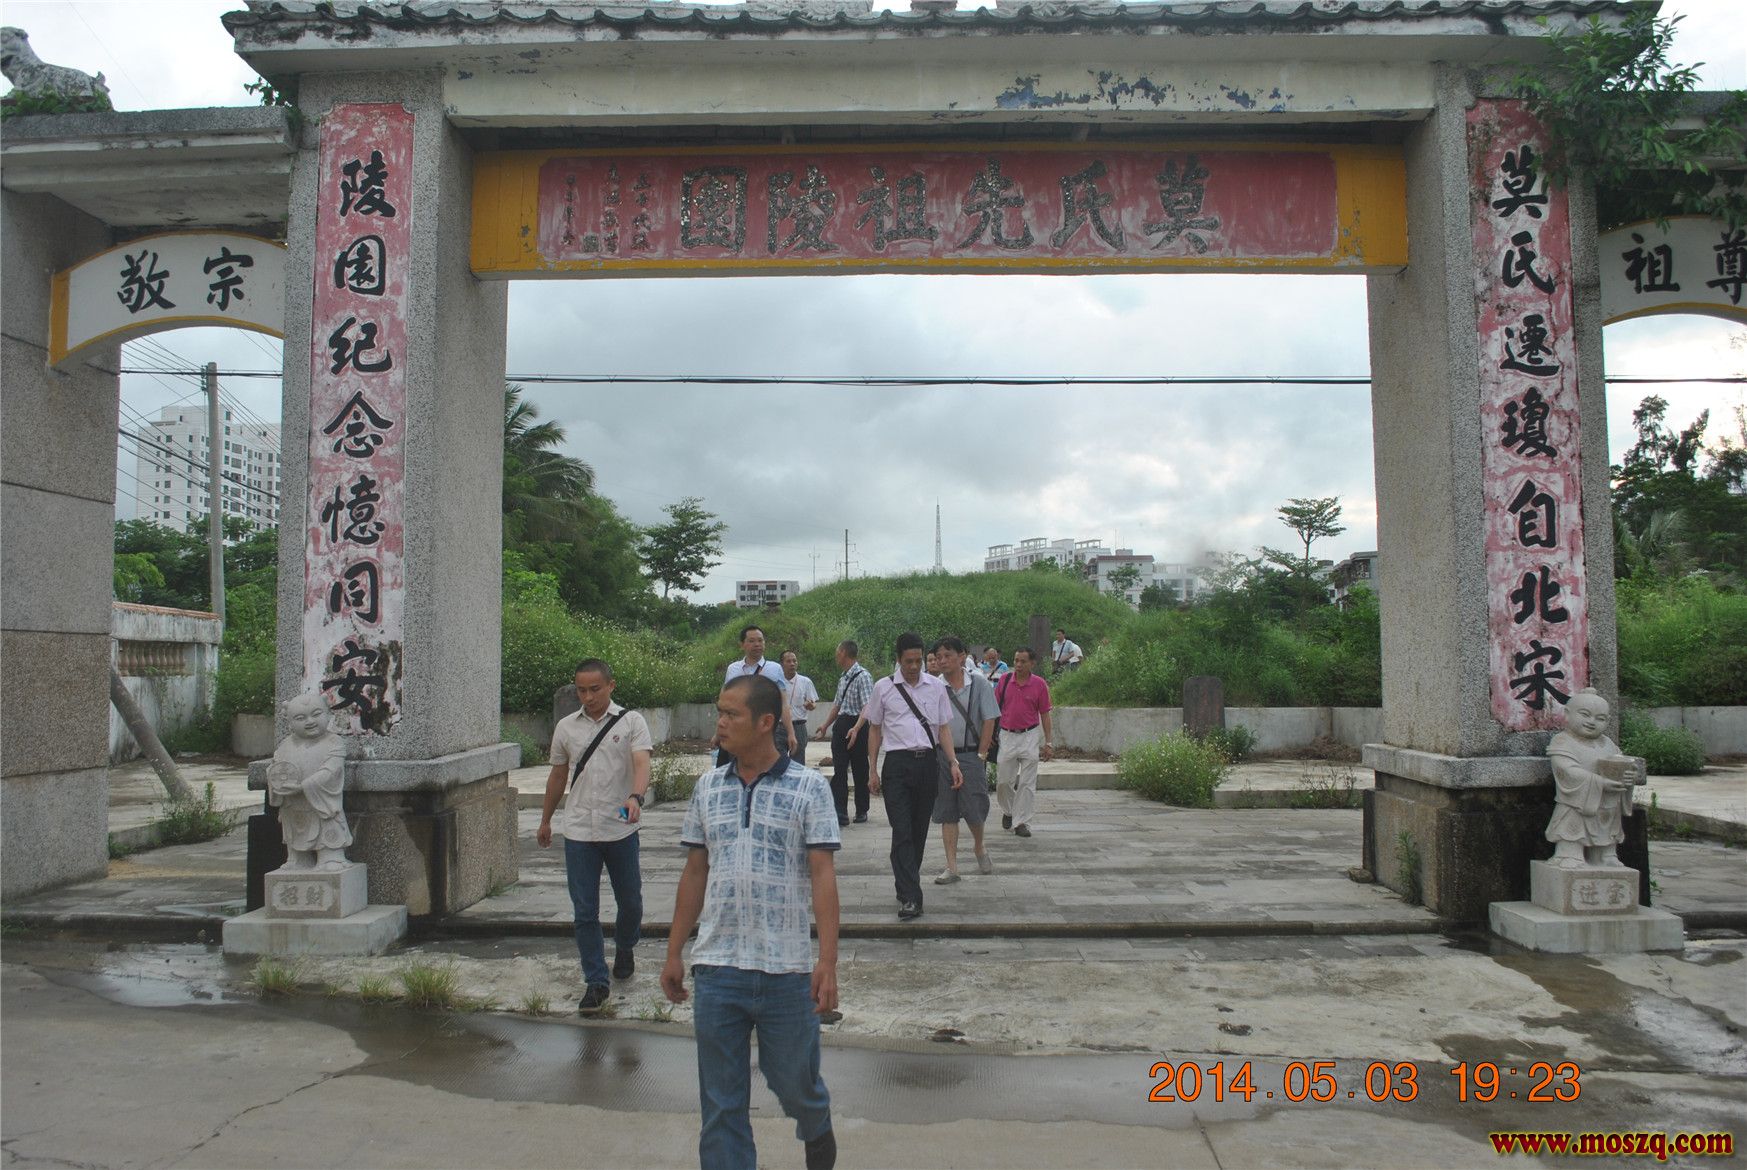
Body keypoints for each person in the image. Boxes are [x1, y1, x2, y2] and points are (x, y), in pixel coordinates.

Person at [662, 674, 840, 1170]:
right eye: (719, 712)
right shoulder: (707, 788)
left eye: (730, 714)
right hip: (718, 968)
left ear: (765, 722)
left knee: (793, 1083)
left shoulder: (808, 788)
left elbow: (823, 876)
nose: (719, 723)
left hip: (786, 970)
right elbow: (695, 872)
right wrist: (674, 951)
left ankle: (815, 1122)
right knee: (721, 1105)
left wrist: (827, 961)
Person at [537, 659, 653, 1014]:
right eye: (581, 691)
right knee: (585, 911)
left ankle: (625, 945)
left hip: (620, 826)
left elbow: (642, 762)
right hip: (579, 831)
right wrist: (545, 820)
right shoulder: (566, 727)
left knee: (630, 903)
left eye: (595, 689)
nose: (588, 697)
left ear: (610, 686)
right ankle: (596, 982)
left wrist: (635, 797)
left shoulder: (631, 721)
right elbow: (558, 775)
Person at [864, 632, 959, 920]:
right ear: (898, 659)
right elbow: (875, 729)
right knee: (902, 830)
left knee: (918, 832)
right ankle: (911, 897)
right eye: (909, 661)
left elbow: (943, 729)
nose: (915, 666)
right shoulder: (883, 688)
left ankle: (905, 883)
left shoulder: (936, 687)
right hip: (897, 765)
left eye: (919, 661)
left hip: (927, 764)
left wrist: (953, 762)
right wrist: (872, 769)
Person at [1545, 687, 1643, 868]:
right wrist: (1600, 783)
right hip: (1578, 800)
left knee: (1608, 825)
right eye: (1585, 715)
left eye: (1600, 718)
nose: (1592, 722)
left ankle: (1606, 854)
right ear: (1567, 714)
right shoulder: (1563, 741)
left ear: (1608, 721)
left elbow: (1621, 763)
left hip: (1607, 801)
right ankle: (1570, 853)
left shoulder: (1608, 743)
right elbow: (1566, 770)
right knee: (1573, 822)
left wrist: (1628, 776)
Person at [930, 637, 997, 884]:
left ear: (962, 657)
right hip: (942, 756)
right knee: (947, 810)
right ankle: (952, 866)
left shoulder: (979, 684)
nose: (942, 661)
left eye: (947, 655)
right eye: (938, 657)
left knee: (974, 809)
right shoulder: (933, 686)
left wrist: (981, 754)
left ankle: (979, 845)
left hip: (971, 755)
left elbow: (989, 719)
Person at [267, 692, 350, 871]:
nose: (309, 721)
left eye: (316, 714)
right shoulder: (285, 745)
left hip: (321, 801)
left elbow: (331, 770)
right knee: (294, 827)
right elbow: (277, 767)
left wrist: (304, 786)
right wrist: (276, 779)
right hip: (292, 802)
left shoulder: (334, 742)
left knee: (327, 825)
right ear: (289, 723)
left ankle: (330, 856)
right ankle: (297, 858)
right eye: (300, 718)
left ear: (328, 714)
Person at [994, 646, 1054, 838]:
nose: (1018, 665)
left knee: (1027, 783)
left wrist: (1048, 743)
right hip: (1007, 735)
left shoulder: (1039, 684)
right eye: (1016, 660)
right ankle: (1009, 811)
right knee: (1003, 781)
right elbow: (993, 709)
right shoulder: (1004, 681)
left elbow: (1045, 714)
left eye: (1023, 661)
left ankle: (1021, 822)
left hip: (1030, 736)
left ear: (1032, 664)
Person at [715, 625, 796, 766]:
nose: (757, 644)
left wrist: (790, 733)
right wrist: (718, 733)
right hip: (738, 730)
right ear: (742, 645)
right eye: (751, 641)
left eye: (760, 640)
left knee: (771, 768)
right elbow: (725, 704)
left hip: (768, 730)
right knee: (738, 768)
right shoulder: (733, 669)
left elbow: (783, 703)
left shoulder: (774, 669)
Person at [813, 640, 873, 827]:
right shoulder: (843, 678)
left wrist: (856, 728)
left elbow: (867, 706)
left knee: (860, 769)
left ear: (844, 653)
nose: (836, 656)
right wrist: (825, 725)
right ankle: (840, 812)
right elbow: (837, 706)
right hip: (841, 725)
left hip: (858, 726)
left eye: (837, 652)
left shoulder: (863, 676)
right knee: (839, 770)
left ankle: (862, 809)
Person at [781, 650, 819, 767]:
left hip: (798, 726)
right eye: (788, 661)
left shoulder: (805, 681)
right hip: (780, 727)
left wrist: (811, 706)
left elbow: (813, 704)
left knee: (797, 763)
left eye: (794, 661)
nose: (792, 664)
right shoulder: (777, 681)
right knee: (778, 761)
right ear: (782, 664)